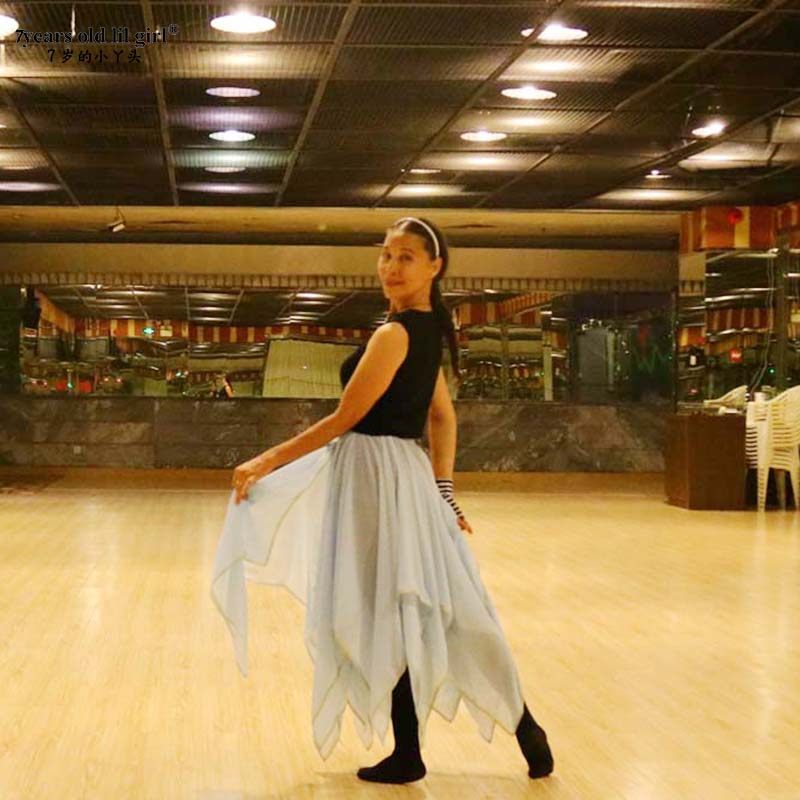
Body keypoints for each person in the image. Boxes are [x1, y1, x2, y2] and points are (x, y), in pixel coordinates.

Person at [210, 217, 554, 784]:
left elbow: (347, 418)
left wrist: (267, 459)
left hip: (377, 478)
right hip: (402, 478)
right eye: (386, 255)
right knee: (442, 604)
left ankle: (418, 750)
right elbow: (441, 417)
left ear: (434, 267)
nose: (391, 267)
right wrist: (442, 490)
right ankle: (522, 732)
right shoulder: (426, 330)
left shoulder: (395, 335)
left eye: (406, 257)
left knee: (391, 606)